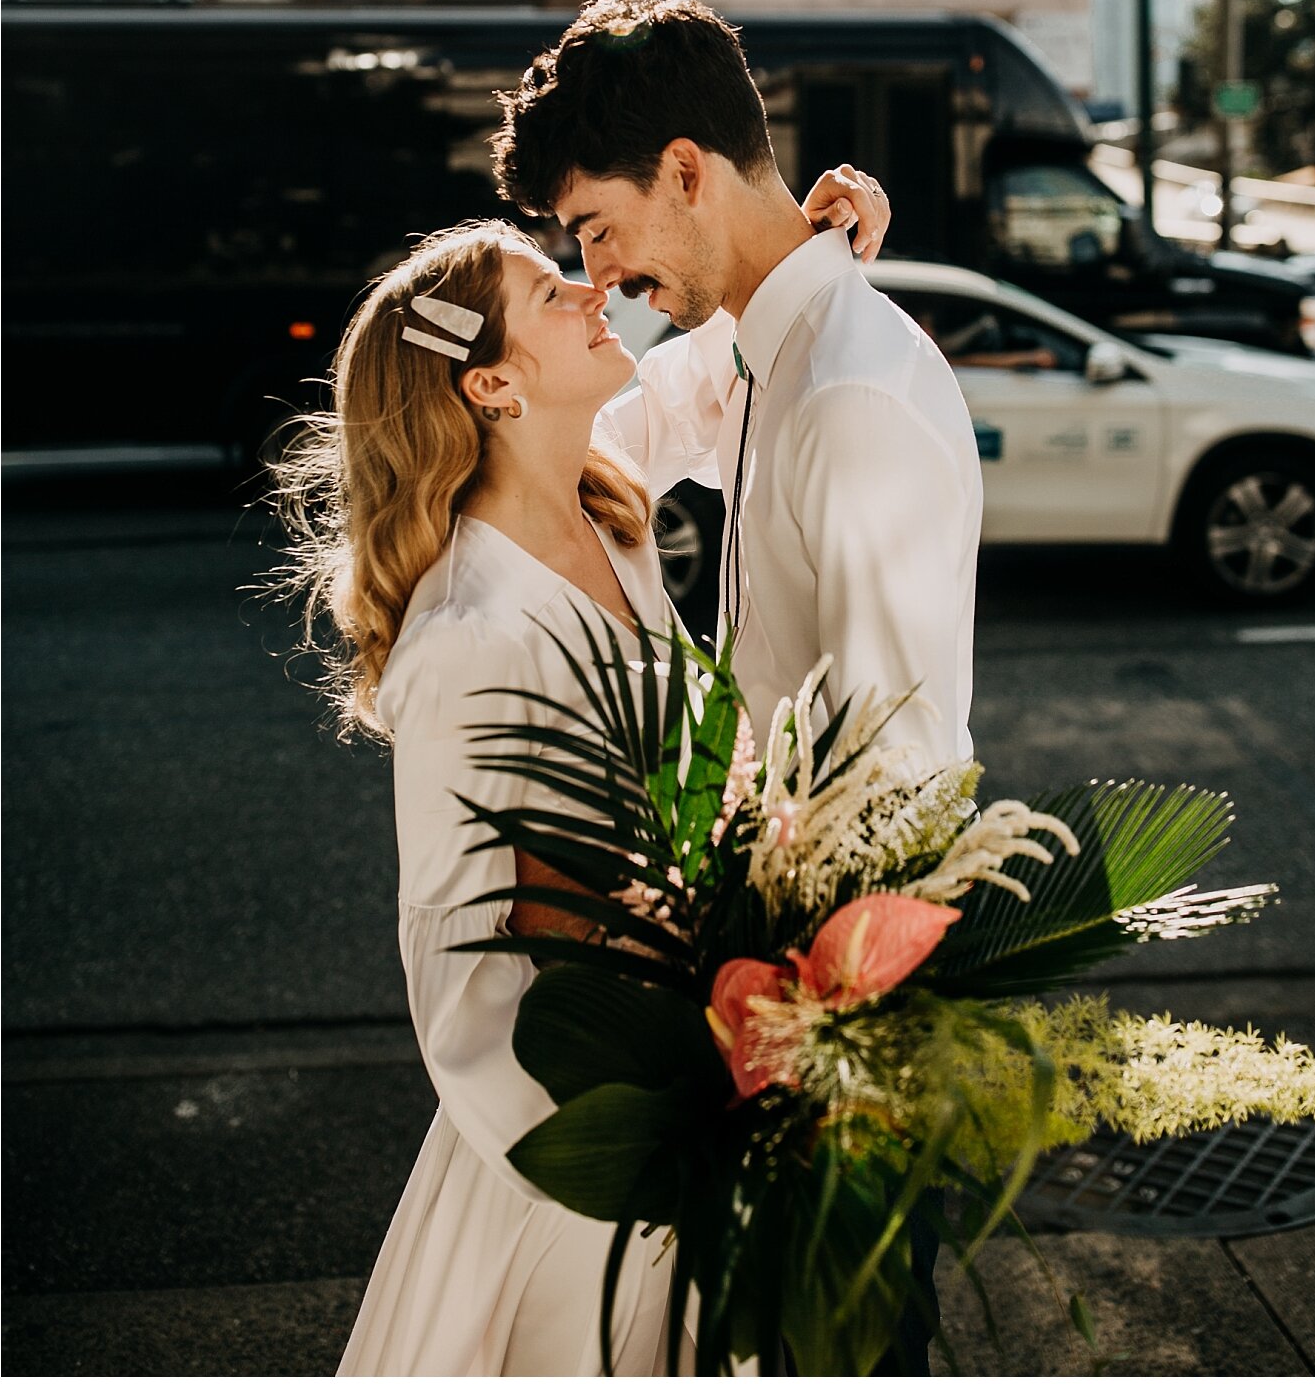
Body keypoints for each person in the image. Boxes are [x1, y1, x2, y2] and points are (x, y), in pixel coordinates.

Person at [275, 176, 887, 1375]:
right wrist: (621, 1149)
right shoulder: (470, 636)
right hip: (589, 1150)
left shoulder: (605, 502)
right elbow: (454, 958)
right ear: (489, 383)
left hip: (711, 1068)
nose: (594, 286)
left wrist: (812, 251)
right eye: (556, 293)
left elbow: (722, 370)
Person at [492, 0, 985, 1376]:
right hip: (773, 998)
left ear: (690, 171)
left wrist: (793, 1072)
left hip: (840, 1037)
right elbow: (616, 448)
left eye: (598, 229)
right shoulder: (768, 353)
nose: (598, 274)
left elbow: (893, 789)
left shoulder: (848, 398)